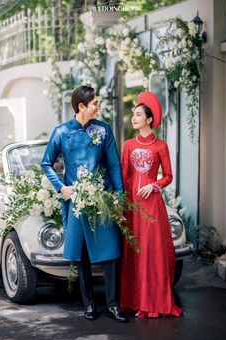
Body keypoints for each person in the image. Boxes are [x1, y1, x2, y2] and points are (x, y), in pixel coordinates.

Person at [41, 85, 127, 322]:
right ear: (82, 106)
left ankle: (113, 305)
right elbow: (46, 163)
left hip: (103, 200)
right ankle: (88, 304)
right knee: (82, 255)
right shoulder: (61, 132)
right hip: (76, 202)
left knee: (110, 253)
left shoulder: (104, 130)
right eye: (95, 103)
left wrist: (119, 197)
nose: (99, 106)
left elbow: (114, 166)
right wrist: (61, 187)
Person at [120, 91, 182, 318]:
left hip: (152, 204)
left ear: (149, 119)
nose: (133, 118)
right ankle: (136, 301)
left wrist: (154, 185)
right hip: (132, 206)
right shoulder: (128, 145)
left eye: (138, 115)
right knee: (134, 252)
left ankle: (152, 303)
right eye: (133, 114)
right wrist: (121, 204)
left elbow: (168, 176)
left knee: (150, 252)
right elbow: (124, 176)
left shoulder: (161, 146)